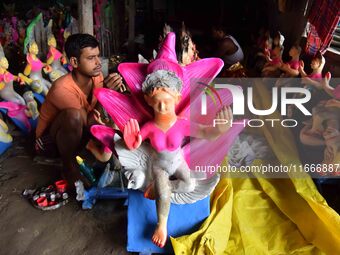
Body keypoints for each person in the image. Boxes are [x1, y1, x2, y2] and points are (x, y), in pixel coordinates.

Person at [35, 33, 125, 189]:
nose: (98, 62)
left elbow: (96, 117)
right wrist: (105, 94)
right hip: (49, 144)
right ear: (74, 62)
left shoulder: (96, 77)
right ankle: (69, 167)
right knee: (74, 115)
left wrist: (116, 92)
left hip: (78, 135)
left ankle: (90, 155)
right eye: (90, 58)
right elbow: (88, 122)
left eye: (98, 56)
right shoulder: (62, 89)